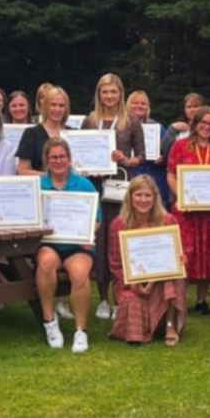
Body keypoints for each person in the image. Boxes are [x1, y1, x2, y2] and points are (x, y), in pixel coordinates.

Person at [88, 73, 147, 319]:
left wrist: (125, 159)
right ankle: (102, 299)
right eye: (105, 91)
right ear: (99, 94)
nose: (109, 96)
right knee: (100, 241)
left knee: (120, 242)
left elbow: (141, 156)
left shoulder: (131, 120)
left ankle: (120, 297)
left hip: (120, 188)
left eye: (113, 91)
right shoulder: (90, 120)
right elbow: (81, 150)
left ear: (120, 93)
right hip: (95, 187)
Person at [35, 138, 101, 353]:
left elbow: (97, 219)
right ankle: (49, 321)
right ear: (46, 160)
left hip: (77, 246)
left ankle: (80, 331)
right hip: (49, 244)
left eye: (62, 156)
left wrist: (88, 234)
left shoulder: (84, 185)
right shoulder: (38, 185)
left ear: (69, 159)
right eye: (53, 157)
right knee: (45, 263)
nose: (58, 161)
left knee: (80, 273)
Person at [166, 106, 210, 314]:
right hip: (185, 211)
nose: (206, 127)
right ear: (194, 123)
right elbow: (170, 174)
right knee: (185, 253)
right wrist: (181, 196)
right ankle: (180, 300)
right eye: (203, 123)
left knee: (207, 252)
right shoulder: (180, 146)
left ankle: (202, 300)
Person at [107, 176, 187, 346]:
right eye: (138, 195)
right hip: (132, 280)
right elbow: (115, 263)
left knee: (172, 279)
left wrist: (180, 260)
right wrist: (133, 283)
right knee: (132, 299)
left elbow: (177, 254)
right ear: (130, 197)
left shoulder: (168, 220)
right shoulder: (118, 224)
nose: (143, 200)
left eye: (148, 195)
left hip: (162, 277)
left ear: (155, 197)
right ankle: (140, 329)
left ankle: (169, 325)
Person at [126, 90, 171, 206]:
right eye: (135, 103)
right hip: (129, 177)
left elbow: (169, 153)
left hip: (155, 178)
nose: (139, 106)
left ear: (148, 107)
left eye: (143, 103)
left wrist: (163, 158)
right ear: (128, 105)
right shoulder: (121, 127)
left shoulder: (158, 128)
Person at [16, 84, 69, 174]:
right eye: (53, 105)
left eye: (61, 105)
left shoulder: (74, 134)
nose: (57, 109)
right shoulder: (31, 134)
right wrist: (52, 178)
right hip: (42, 187)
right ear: (45, 106)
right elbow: (22, 171)